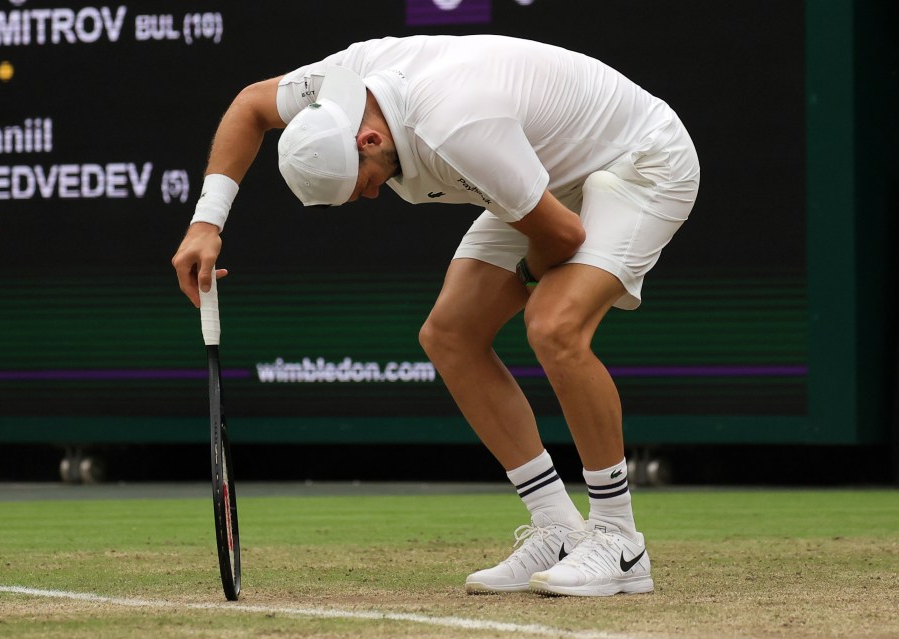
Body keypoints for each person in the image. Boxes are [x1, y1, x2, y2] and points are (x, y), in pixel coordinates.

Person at [171, 34, 700, 597]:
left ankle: (620, 541)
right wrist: (206, 223)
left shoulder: (454, 128)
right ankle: (557, 527)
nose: (372, 198)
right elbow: (251, 105)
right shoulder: (336, 88)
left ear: (369, 138)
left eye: (366, 183)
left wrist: (522, 282)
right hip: (543, 169)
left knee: (554, 325)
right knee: (450, 335)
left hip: (640, 158)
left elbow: (562, 236)